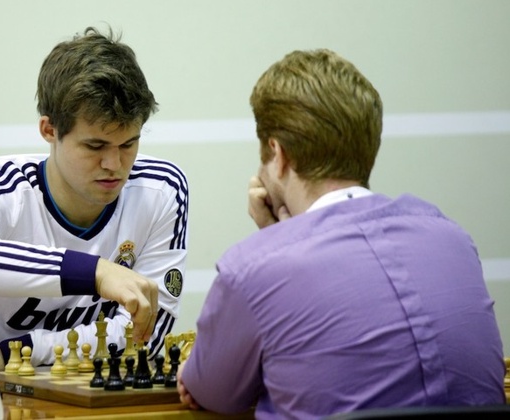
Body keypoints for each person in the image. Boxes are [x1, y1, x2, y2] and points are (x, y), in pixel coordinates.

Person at [177, 49, 505, 418]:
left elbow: (210, 393)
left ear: (278, 154)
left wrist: (272, 244)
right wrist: (283, 237)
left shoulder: (252, 268)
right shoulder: (453, 239)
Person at [0, 27, 189, 372]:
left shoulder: (162, 189)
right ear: (49, 131)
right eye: (95, 146)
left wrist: (34, 347)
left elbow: (148, 333)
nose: (114, 165)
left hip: (88, 398)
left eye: (129, 144)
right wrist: (96, 273)